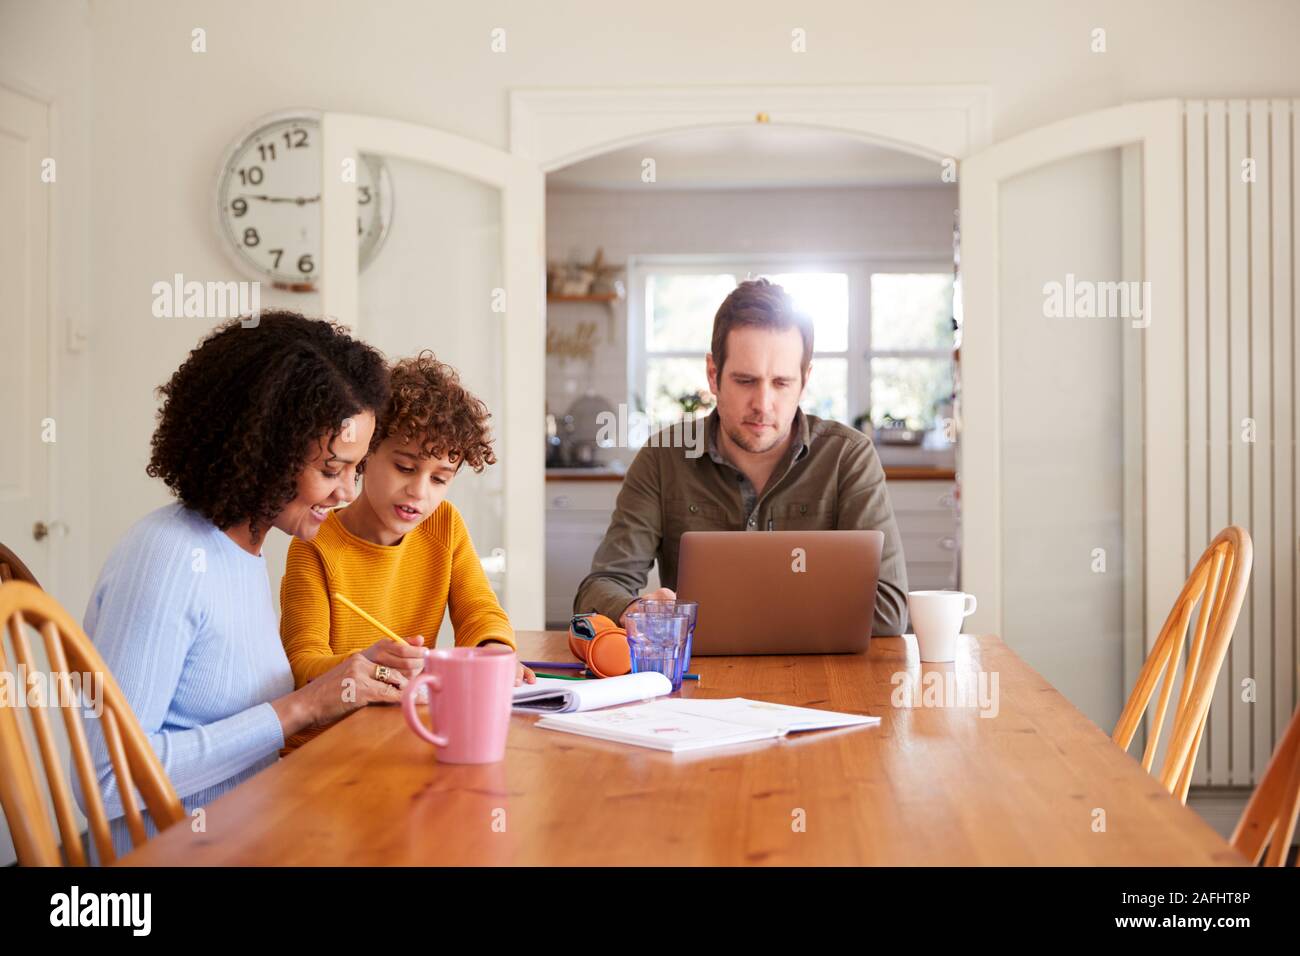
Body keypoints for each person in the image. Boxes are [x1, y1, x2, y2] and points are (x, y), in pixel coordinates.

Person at [81, 312, 404, 856]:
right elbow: (106, 780)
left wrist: (335, 687)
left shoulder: (244, 551)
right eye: (330, 469)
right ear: (264, 453)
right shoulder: (168, 558)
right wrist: (300, 708)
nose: (348, 492)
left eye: (357, 467)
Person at [574, 278, 908, 636]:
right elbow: (597, 590)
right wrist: (634, 609)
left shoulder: (848, 457)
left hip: (820, 679)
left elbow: (889, 611)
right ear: (713, 375)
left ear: (804, 381)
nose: (763, 405)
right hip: (701, 683)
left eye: (781, 383)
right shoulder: (662, 459)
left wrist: (747, 614)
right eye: (746, 381)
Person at [279, 351, 534, 751]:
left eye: (439, 479)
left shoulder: (443, 525)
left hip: (404, 733)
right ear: (366, 455)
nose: (419, 492)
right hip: (327, 749)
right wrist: (365, 666)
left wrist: (494, 651)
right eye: (405, 467)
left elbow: (479, 610)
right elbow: (303, 665)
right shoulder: (316, 545)